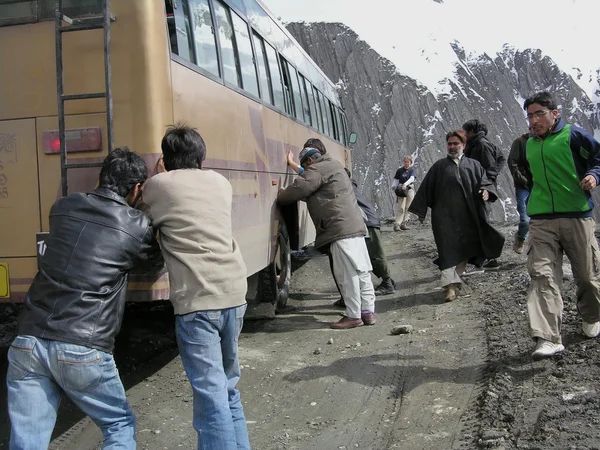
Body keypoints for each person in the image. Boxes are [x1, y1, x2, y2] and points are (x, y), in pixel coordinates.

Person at [7, 148, 163, 449]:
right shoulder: (137, 226)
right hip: (82, 347)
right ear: (135, 189)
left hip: (28, 341)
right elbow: (154, 262)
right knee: (118, 424)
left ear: (101, 178)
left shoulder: (62, 208)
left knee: (28, 440)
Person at [142, 124, 250, 449]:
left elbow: (142, 218)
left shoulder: (157, 185)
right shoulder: (220, 182)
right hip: (234, 293)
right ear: (201, 156)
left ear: (165, 158)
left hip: (197, 303)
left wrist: (160, 174)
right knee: (228, 385)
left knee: (210, 392)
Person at [522, 91, 600, 360]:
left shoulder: (573, 136)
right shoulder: (527, 143)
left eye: (538, 114)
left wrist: (593, 175)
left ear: (555, 113)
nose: (533, 120)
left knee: (588, 277)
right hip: (542, 220)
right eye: (530, 115)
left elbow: (598, 159)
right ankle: (547, 337)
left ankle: (591, 315)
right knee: (541, 276)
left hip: (577, 216)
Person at [278, 144, 376, 329]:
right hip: (354, 226)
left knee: (347, 274)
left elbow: (301, 187)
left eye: (305, 166)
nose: (306, 170)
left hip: (339, 229)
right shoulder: (335, 165)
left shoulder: (317, 169)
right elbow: (320, 191)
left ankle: (353, 315)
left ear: (310, 160)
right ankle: (368, 312)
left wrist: (283, 196)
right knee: (362, 270)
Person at [409, 130, 505, 302]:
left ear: (464, 145)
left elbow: (485, 182)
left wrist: (486, 191)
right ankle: (450, 288)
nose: (452, 147)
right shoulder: (439, 167)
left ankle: (454, 280)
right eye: (450, 144)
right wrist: (419, 212)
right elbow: (426, 189)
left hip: (468, 217)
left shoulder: (474, 165)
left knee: (465, 250)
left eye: (456, 144)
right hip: (444, 219)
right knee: (447, 252)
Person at [286, 151, 396, 299]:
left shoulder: (341, 185)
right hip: (361, 221)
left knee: (373, 256)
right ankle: (370, 294)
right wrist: (292, 162)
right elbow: (306, 177)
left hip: (366, 220)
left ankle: (386, 284)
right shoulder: (340, 181)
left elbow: (312, 188)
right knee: (366, 259)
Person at [462, 119, 506, 272]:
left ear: (472, 131)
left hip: (480, 190)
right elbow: (501, 157)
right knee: (476, 223)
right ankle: (486, 259)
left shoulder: (481, 145)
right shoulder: (477, 144)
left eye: (466, 132)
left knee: (480, 224)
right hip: (476, 189)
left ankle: (483, 261)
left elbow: (490, 168)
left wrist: (486, 185)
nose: (464, 135)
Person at [507, 126, 533, 254]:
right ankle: (521, 237)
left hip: (539, 186)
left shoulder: (544, 143)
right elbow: (512, 163)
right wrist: (522, 180)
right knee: (525, 219)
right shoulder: (520, 142)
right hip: (523, 186)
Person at [391, 155, 416, 231]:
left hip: (410, 189)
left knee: (408, 207)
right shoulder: (399, 170)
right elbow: (396, 179)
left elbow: (412, 178)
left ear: (410, 162)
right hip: (401, 190)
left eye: (408, 162)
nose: (406, 163)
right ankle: (397, 224)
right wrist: (393, 186)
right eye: (405, 162)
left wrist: (405, 184)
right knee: (401, 207)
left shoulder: (412, 170)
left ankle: (404, 223)